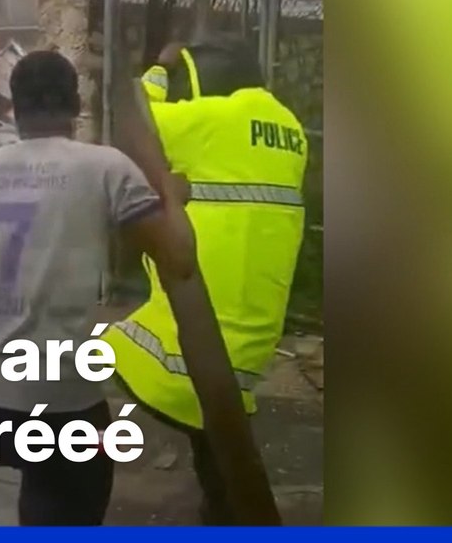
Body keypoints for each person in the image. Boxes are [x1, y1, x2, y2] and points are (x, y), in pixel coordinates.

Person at [0, 50, 196, 526]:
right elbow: (179, 260)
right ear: (76, 104)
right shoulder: (106, 168)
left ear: (13, 107)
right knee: (75, 495)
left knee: (43, 480)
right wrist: (172, 198)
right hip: (61, 389)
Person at [102, 36, 309, 525]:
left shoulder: (213, 119)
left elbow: (133, 119)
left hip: (193, 336)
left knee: (88, 360)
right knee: (217, 447)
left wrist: (159, 68)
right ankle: (221, 510)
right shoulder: (290, 129)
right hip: (251, 337)